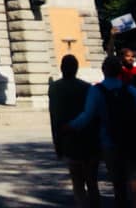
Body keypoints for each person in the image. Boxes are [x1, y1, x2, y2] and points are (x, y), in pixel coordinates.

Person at [67, 55, 136, 208]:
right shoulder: (131, 90)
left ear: (103, 71)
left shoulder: (96, 91)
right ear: (119, 71)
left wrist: (71, 126)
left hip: (109, 141)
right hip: (133, 140)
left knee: (118, 183)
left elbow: (87, 116)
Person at [49, 55, 101, 208]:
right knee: (92, 182)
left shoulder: (54, 88)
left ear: (62, 68)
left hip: (68, 140)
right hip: (89, 140)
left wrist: (57, 143)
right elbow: (94, 114)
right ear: (77, 69)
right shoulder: (87, 87)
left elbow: (54, 118)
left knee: (77, 183)